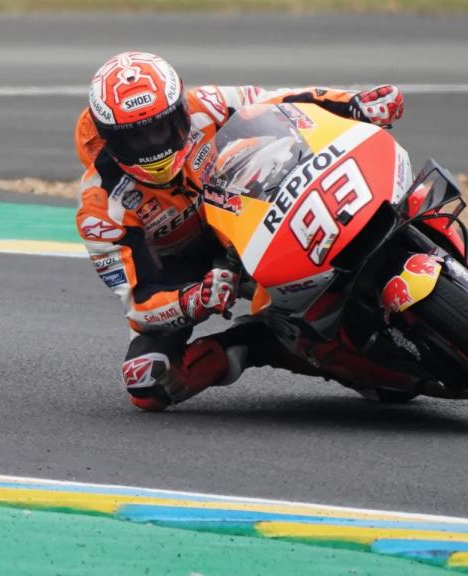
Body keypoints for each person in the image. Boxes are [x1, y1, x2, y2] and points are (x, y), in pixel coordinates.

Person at [74, 51, 404, 411]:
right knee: (146, 381)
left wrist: (353, 105)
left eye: (159, 128)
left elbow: (281, 102)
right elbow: (139, 302)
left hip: (250, 210)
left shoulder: (209, 106)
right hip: (188, 272)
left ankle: (404, 228)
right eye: (134, 139)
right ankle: (256, 343)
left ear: (180, 112)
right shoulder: (100, 206)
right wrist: (193, 299)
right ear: (110, 140)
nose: (152, 145)